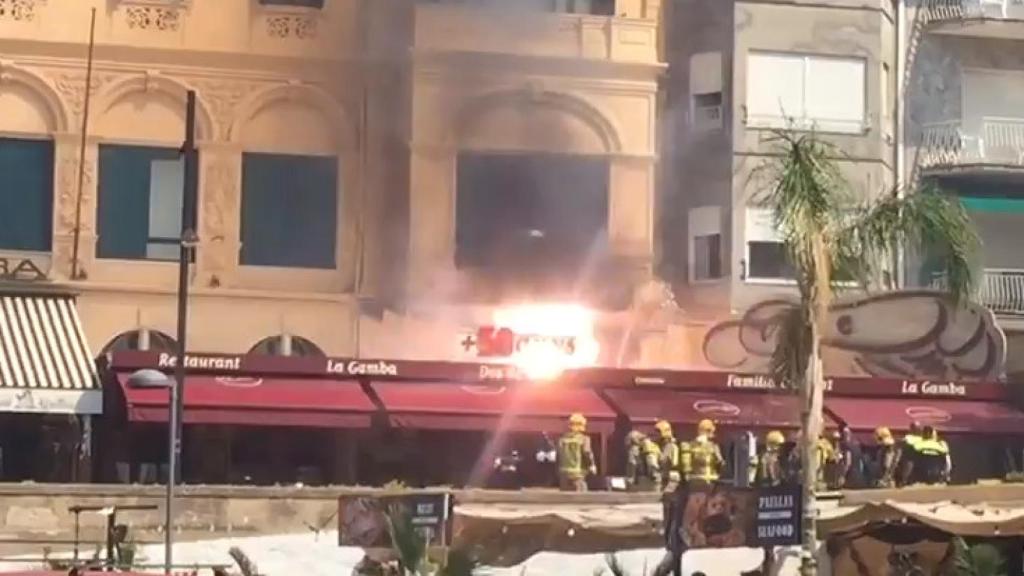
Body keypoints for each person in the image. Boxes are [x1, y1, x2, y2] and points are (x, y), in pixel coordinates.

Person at [557, 413, 596, 491]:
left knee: (564, 499)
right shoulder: (584, 439)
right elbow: (587, 452)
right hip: (578, 474)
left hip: (564, 473)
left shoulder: (562, 440)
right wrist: (592, 465)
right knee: (581, 499)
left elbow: (558, 456)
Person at [687, 419, 724, 485]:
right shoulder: (692, 446)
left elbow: (720, 462)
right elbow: (721, 463)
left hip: (708, 480)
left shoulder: (714, 446)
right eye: (709, 431)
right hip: (700, 480)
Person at [655, 420, 682, 493]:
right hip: (664, 478)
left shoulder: (672, 447)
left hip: (671, 478)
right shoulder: (661, 447)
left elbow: (674, 463)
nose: (655, 435)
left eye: (657, 432)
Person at [896, 422, 923, 486]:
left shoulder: (924, 437)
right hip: (912, 458)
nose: (916, 429)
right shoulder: (908, 437)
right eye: (914, 428)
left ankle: (904, 480)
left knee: (909, 460)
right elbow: (900, 442)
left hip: (922, 458)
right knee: (908, 459)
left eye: (917, 428)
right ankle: (904, 480)